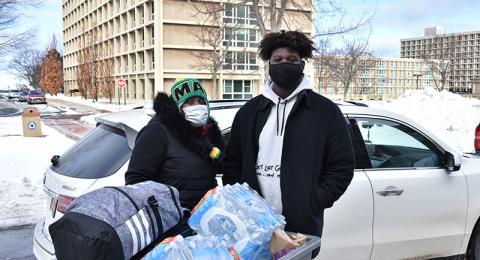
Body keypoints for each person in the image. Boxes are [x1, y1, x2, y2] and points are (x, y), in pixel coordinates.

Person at [222, 30, 355, 243]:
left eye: (291, 59)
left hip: (301, 225)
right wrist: (240, 202)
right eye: (278, 59)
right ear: (269, 65)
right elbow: (232, 162)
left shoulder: (325, 112)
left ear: (301, 65)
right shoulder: (249, 112)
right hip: (253, 223)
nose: (284, 63)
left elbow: (342, 166)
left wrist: (313, 200)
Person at [125, 78, 224, 211]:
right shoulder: (157, 132)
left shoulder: (206, 133)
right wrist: (169, 213)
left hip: (203, 221)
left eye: (201, 101)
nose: (197, 106)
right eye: (190, 102)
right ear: (178, 107)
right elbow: (136, 182)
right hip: (172, 225)